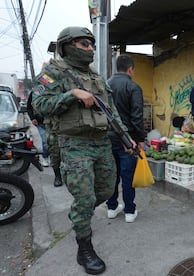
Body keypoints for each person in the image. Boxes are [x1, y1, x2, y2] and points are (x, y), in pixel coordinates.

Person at [32, 26, 133, 275]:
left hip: (101, 143)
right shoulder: (52, 72)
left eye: (91, 44)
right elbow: (40, 105)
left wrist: (127, 138)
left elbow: (111, 111)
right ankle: (84, 248)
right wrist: (71, 94)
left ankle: (79, 213)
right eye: (83, 44)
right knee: (86, 198)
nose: (89, 48)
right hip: (74, 145)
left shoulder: (96, 76)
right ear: (66, 46)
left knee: (107, 189)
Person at [106, 54, 146, 223]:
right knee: (128, 175)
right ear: (130, 69)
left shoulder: (105, 85)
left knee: (111, 174)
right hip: (127, 141)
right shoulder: (133, 87)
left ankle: (112, 207)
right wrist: (141, 138)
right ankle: (129, 211)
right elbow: (137, 117)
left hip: (107, 138)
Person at [27, 91, 64, 187]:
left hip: (65, 124)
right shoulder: (39, 88)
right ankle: (57, 175)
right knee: (51, 146)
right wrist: (32, 118)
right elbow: (30, 106)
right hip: (46, 123)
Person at [26, 91, 49, 167]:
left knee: (52, 141)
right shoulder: (34, 92)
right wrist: (32, 118)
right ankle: (44, 158)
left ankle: (52, 157)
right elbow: (29, 107)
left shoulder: (52, 89)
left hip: (52, 122)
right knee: (45, 140)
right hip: (40, 122)